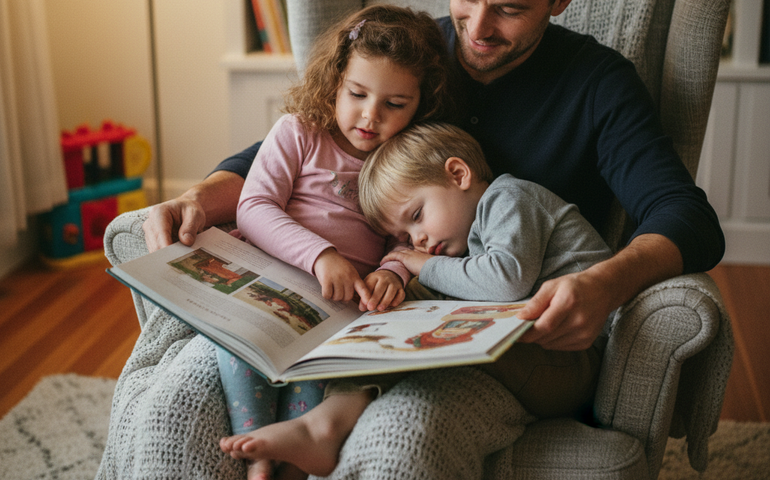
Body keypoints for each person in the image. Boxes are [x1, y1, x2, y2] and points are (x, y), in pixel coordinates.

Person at [139, 0, 725, 477]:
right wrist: (198, 198)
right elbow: (297, 143)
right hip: (354, 304)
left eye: (510, 8)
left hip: (493, 337)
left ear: (559, 2)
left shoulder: (597, 83)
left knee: (400, 439)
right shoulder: (415, 52)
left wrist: (603, 283)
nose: (477, 26)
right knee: (175, 409)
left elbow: (685, 215)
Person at [220, 121, 615, 477]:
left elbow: (505, 282)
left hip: (571, 356)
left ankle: (322, 427)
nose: (418, 240)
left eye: (417, 216)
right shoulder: (465, 239)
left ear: (458, 174)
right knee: (396, 329)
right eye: (406, 238)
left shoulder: (509, 198)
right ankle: (323, 427)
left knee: (426, 342)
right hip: (531, 351)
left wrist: (419, 265)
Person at [213, 6, 456, 480]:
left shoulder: (402, 163)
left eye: (395, 104)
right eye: (357, 93)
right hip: (267, 289)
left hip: (338, 314)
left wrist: (392, 272)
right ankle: (257, 447)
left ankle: (289, 456)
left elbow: (406, 239)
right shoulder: (299, 133)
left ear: (421, 104)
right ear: (335, 81)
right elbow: (255, 205)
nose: (371, 116)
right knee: (238, 346)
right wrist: (322, 257)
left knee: (319, 386)